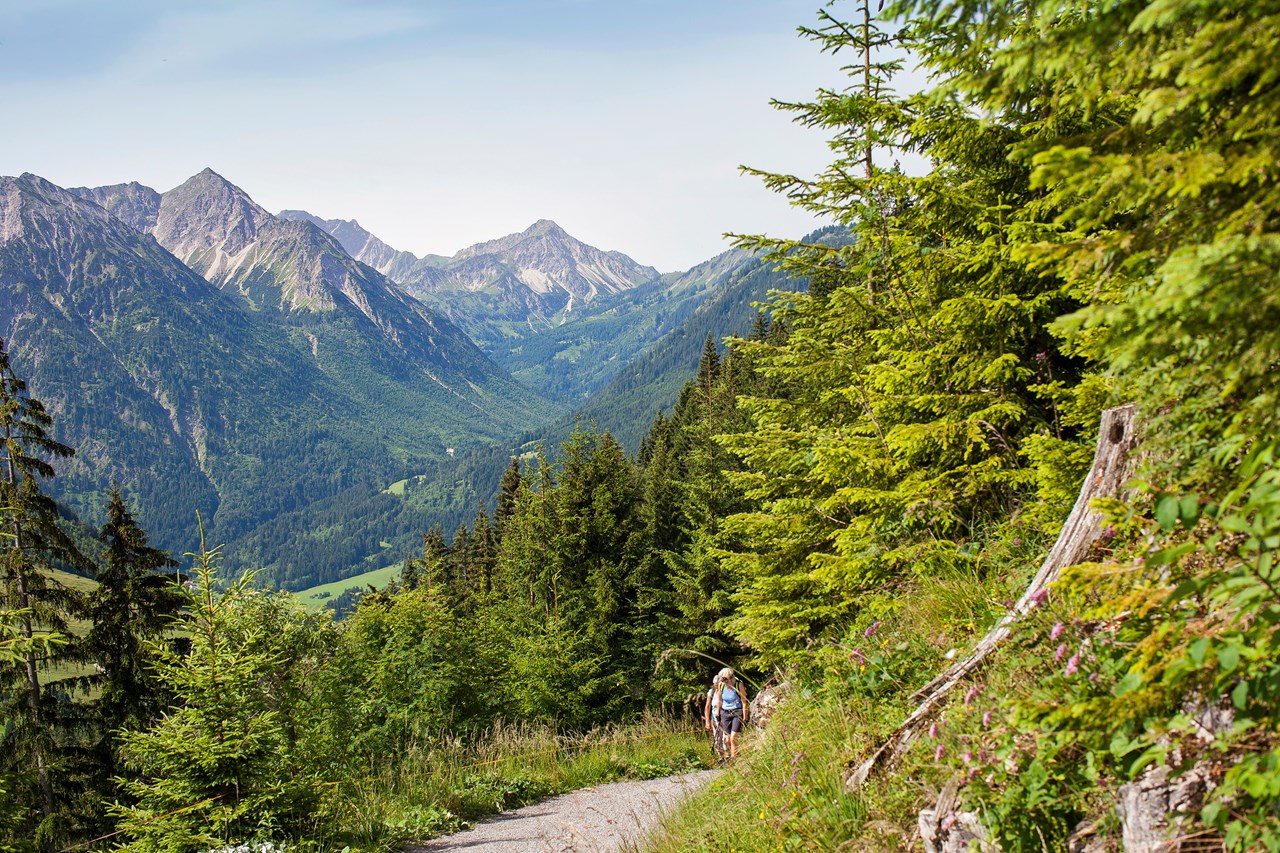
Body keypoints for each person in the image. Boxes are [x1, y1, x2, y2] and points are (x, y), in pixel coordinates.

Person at [714, 667, 749, 760]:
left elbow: (744, 701)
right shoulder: (721, 685)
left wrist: (745, 718)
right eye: (722, 679)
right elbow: (719, 701)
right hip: (725, 713)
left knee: (733, 737)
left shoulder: (738, 684)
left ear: (730, 677)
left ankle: (734, 760)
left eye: (725, 679)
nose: (724, 681)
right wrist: (718, 715)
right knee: (728, 740)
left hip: (737, 712)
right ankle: (737, 753)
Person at [703, 672, 727, 764]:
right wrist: (707, 722)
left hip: (724, 717)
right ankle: (721, 757)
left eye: (718, 684)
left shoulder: (725, 691)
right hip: (714, 719)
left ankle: (728, 755)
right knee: (717, 738)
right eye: (715, 684)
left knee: (725, 737)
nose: (716, 686)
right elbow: (707, 707)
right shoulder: (711, 692)